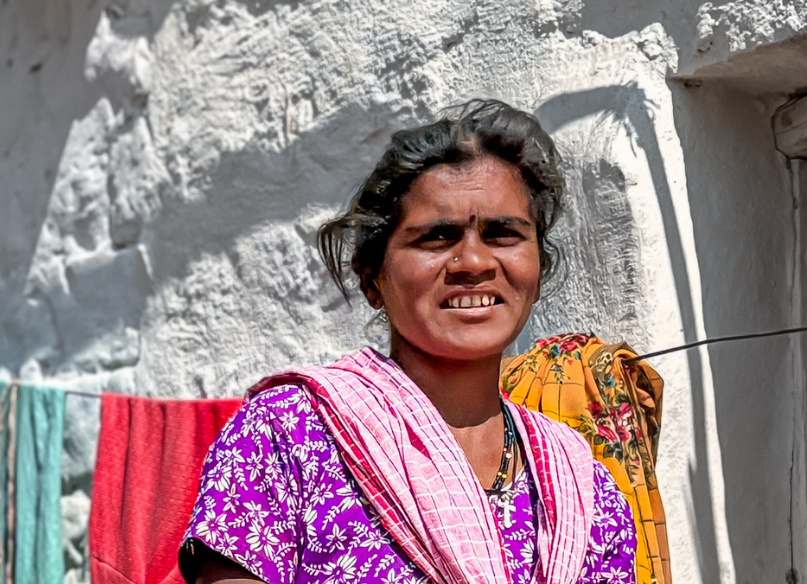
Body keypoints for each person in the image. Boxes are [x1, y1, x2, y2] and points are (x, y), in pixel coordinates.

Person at [181, 101, 638, 584]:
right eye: (437, 237)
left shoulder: (584, 493)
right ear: (372, 279)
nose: (474, 262)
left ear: (538, 270)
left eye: (503, 233)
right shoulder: (287, 437)